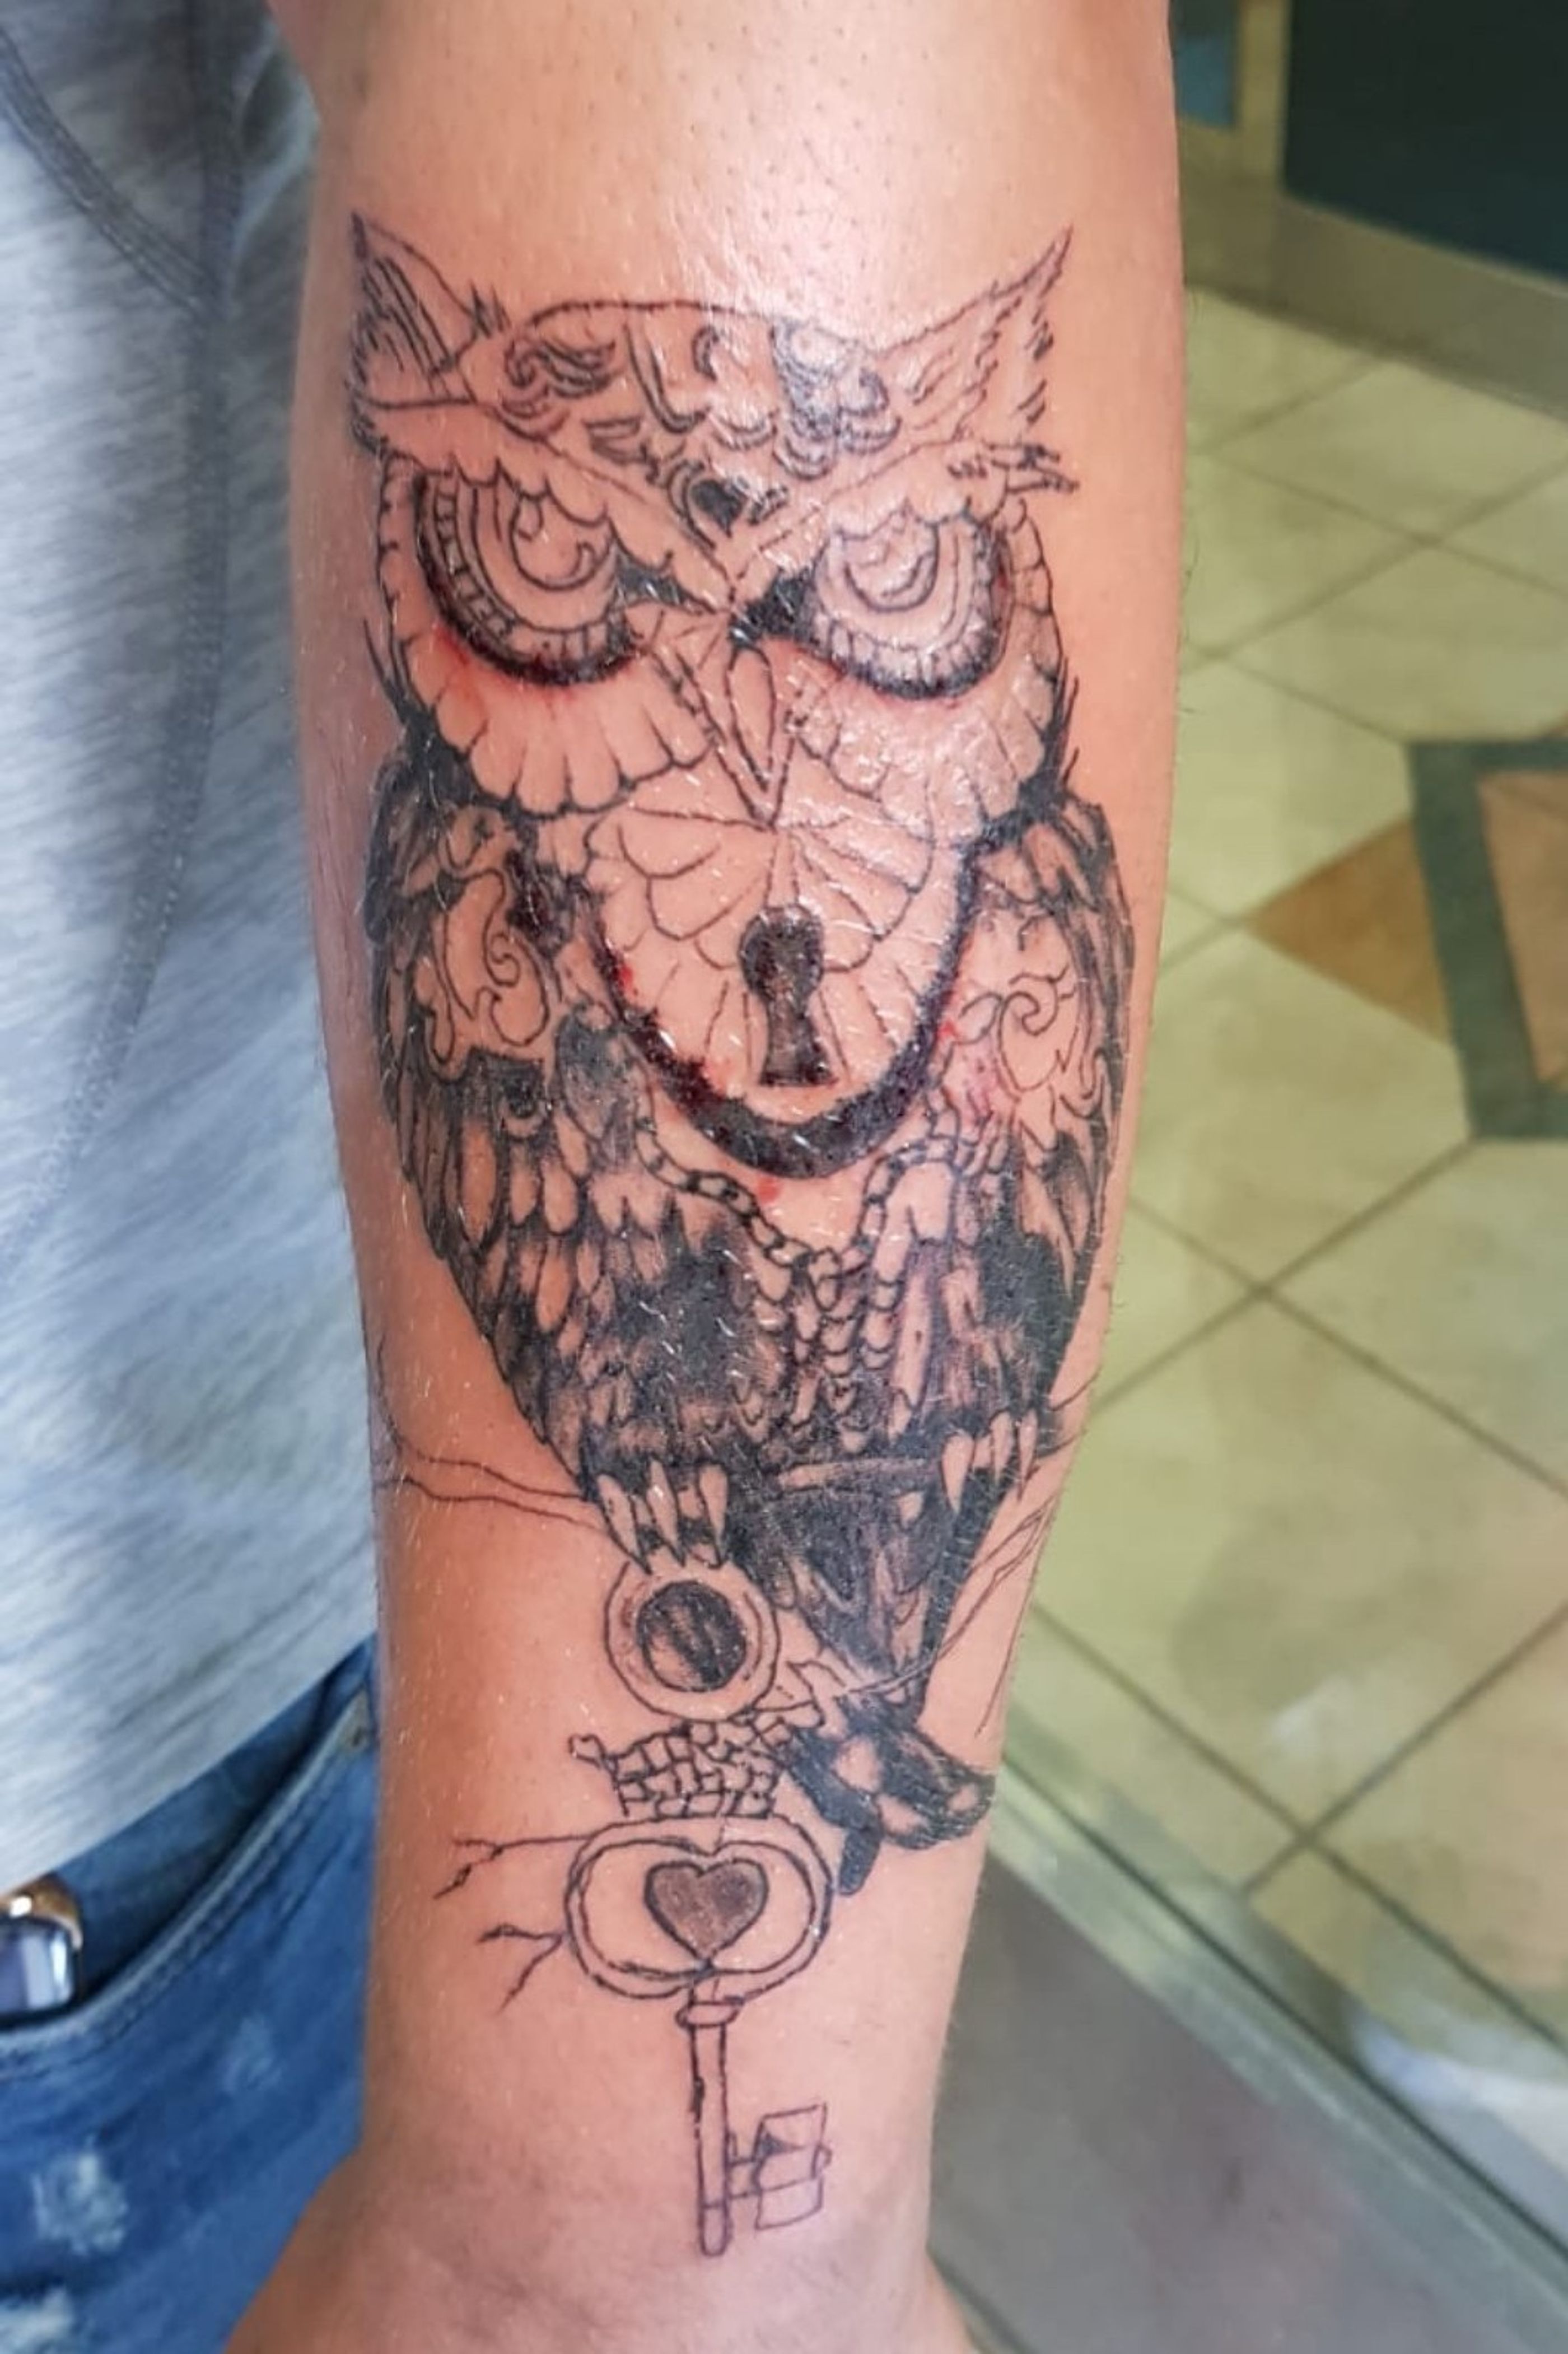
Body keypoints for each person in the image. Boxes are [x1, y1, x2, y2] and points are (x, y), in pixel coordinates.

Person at [0, 4, 1180, 2350]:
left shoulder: (1007, 920)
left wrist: (622, 2257)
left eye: (865, 574)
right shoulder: (488, 889)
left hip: (106, 1824)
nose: (731, 695)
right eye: (565, 553)